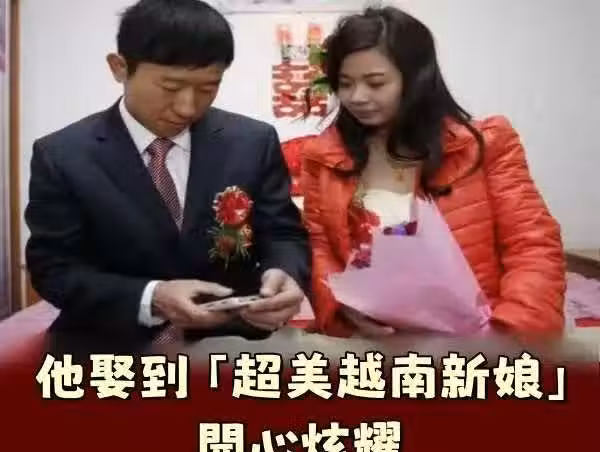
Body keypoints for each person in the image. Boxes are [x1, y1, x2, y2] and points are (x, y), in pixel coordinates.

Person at [25, 0, 309, 352]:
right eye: (171, 87)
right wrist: (152, 297)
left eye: (207, 88)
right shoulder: (63, 155)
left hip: (233, 341)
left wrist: (284, 272)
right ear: (119, 67)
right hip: (109, 348)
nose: (187, 107)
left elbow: (283, 233)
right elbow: (54, 269)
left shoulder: (252, 142)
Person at [301, 5, 565, 339]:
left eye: (375, 83)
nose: (357, 97)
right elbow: (321, 249)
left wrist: (508, 331)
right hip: (379, 343)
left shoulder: (485, 144)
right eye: (345, 84)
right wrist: (343, 310)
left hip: (480, 340)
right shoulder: (324, 158)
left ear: (416, 79)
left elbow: (532, 244)